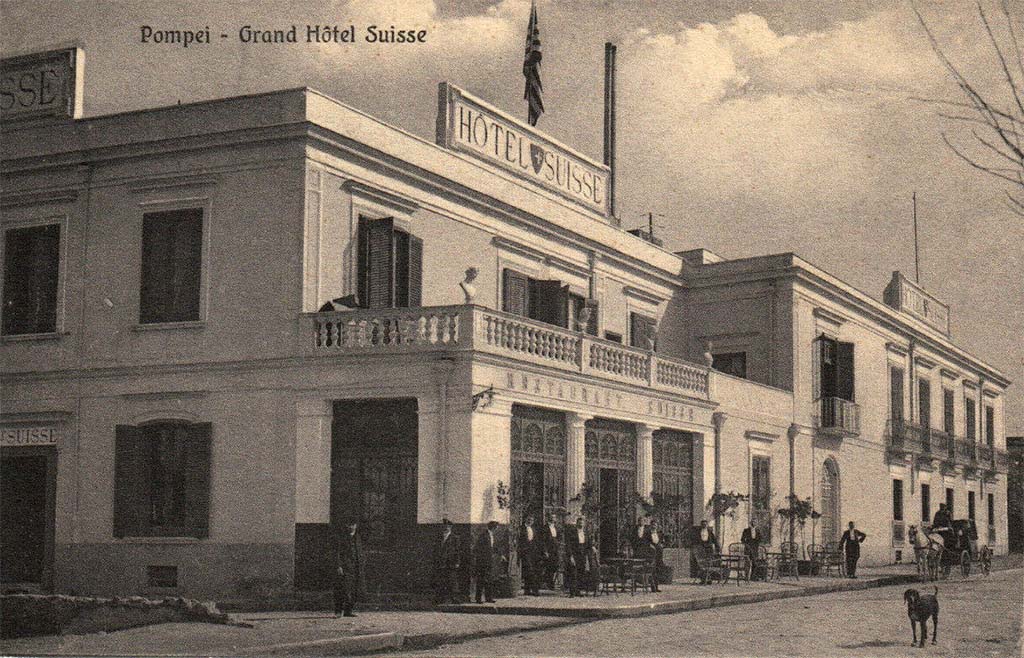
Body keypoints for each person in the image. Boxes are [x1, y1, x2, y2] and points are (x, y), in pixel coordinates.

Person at [334, 519, 365, 617]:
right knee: (343, 589)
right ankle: (338, 611)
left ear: (356, 526)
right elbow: (338, 552)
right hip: (346, 567)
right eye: (349, 525)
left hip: (357, 567)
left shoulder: (358, 537)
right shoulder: (342, 538)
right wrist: (339, 565)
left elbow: (360, 552)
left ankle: (348, 610)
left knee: (354, 590)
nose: (351, 527)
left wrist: (362, 564)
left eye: (353, 525)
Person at [434, 518, 461, 604]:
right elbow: (436, 550)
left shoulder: (455, 538)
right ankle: (440, 599)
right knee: (441, 581)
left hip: (451, 562)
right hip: (441, 562)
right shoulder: (439, 537)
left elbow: (457, 551)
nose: (446, 528)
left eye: (448, 526)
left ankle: (454, 598)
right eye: (444, 526)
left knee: (452, 581)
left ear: (451, 527)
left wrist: (457, 562)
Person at [474, 520, 501, 603]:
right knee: (481, 580)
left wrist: (500, 554)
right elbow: (478, 548)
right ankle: (478, 598)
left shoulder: (491, 535)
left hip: (489, 561)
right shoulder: (484, 535)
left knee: (489, 580)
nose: (497, 529)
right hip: (483, 561)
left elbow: (493, 547)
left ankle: (488, 598)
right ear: (493, 527)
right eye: (496, 527)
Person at [564, 516, 590, 597]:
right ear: (577, 523)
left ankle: (578, 591)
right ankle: (572, 592)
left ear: (584, 524)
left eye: (582, 523)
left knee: (580, 573)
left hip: (583, 555)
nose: (581, 524)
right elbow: (568, 545)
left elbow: (588, 544)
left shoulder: (585, 533)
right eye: (579, 523)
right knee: (573, 573)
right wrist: (570, 556)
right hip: (575, 555)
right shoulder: (572, 532)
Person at [518, 514, 541, 596]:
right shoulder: (521, 528)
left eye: (532, 520)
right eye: (529, 519)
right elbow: (519, 540)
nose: (530, 521)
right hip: (525, 552)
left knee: (532, 570)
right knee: (529, 570)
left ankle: (527, 590)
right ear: (525, 519)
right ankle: (535, 590)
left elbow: (536, 540)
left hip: (533, 553)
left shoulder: (533, 529)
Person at [541, 512, 562, 590]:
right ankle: (548, 583)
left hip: (555, 550)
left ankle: (550, 582)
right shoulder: (545, 527)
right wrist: (545, 551)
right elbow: (543, 540)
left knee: (555, 566)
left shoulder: (556, 527)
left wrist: (559, 546)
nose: (554, 519)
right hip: (548, 550)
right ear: (549, 518)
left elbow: (558, 538)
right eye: (552, 517)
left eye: (555, 517)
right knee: (548, 566)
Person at [644, 519, 665, 592]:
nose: (654, 526)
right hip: (651, 554)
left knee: (657, 570)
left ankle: (656, 587)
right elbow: (645, 542)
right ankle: (653, 587)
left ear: (657, 526)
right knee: (652, 570)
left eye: (655, 525)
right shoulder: (647, 533)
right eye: (653, 525)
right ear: (650, 525)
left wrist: (661, 545)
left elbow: (662, 541)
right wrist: (650, 545)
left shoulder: (659, 533)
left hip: (658, 554)